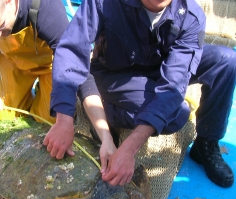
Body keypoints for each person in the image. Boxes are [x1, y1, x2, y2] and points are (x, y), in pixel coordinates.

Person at [45, 0, 236, 187]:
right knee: (177, 115)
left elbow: (173, 85)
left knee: (226, 61)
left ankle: (206, 143)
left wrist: (129, 149)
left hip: (162, 64)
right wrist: (64, 118)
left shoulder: (191, 15)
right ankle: (106, 114)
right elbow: (71, 50)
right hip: (114, 74)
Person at [0, 0, 117, 161]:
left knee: (48, 124)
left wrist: (105, 137)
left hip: (50, 62)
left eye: (0, 26)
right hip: (13, 61)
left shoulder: (47, 8)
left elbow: (80, 73)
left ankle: (42, 92)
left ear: (10, 2)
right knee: (3, 120)